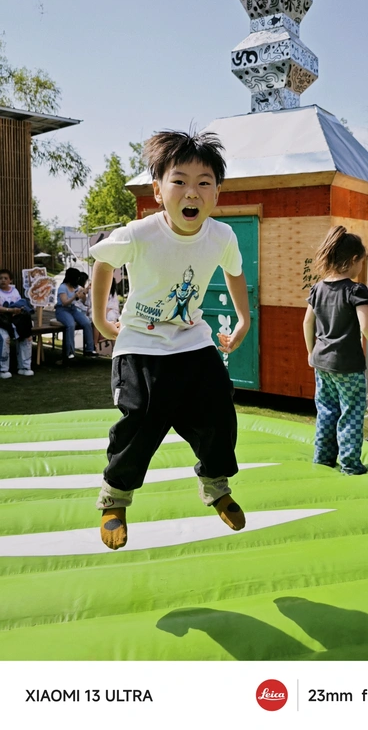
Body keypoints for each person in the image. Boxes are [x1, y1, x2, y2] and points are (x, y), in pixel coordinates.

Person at [90, 130, 250, 550]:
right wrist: (101, 319)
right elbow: (103, 263)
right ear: (158, 191)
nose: (191, 192)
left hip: (191, 337)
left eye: (203, 182)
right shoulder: (139, 233)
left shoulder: (222, 236)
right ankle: (115, 495)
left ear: (217, 192)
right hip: (140, 340)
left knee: (218, 404)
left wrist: (243, 318)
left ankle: (215, 484)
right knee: (143, 413)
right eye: (179, 181)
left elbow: (234, 271)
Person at [303, 226, 368, 475]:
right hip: (348, 365)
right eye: (361, 262)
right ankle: (350, 464)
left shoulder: (317, 288)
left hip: (322, 362)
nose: (360, 268)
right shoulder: (355, 290)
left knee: (327, 411)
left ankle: (322, 458)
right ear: (353, 260)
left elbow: (307, 322)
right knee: (351, 413)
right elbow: (366, 326)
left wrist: (311, 352)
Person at [54, 267, 97, 359]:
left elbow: (84, 301)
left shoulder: (77, 287)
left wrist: (83, 296)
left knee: (86, 322)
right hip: (62, 310)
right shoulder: (63, 287)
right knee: (70, 325)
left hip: (73, 309)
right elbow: (64, 302)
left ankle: (90, 349)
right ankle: (70, 352)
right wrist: (74, 296)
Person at [0, 269, 34, 378]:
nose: (3, 280)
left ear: (10, 280)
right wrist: (10, 310)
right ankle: (3, 369)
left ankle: (24, 367)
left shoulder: (15, 291)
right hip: (2, 322)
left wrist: (18, 311)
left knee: (27, 337)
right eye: (0, 278)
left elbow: (20, 304)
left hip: (16, 321)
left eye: (5, 278)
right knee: (4, 338)